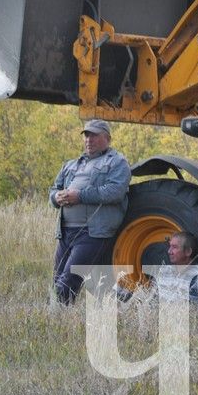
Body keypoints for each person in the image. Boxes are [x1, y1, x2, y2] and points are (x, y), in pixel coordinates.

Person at [50, 119, 131, 304]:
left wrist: (80, 196)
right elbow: (53, 190)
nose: (89, 139)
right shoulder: (71, 164)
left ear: (107, 139)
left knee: (67, 282)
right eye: (86, 135)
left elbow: (115, 192)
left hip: (92, 232)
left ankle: (58, 320)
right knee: (56, 281)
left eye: (94, 135)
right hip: (65, 231)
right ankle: (61, 321)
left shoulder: (117, 162)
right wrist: (57, 198)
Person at [117, 231, 198, 305]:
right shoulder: (164, 270)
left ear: (188, 252)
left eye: (174, 247)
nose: (169, 251)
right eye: (170, 246)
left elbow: (194, 310)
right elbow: (151, 299)